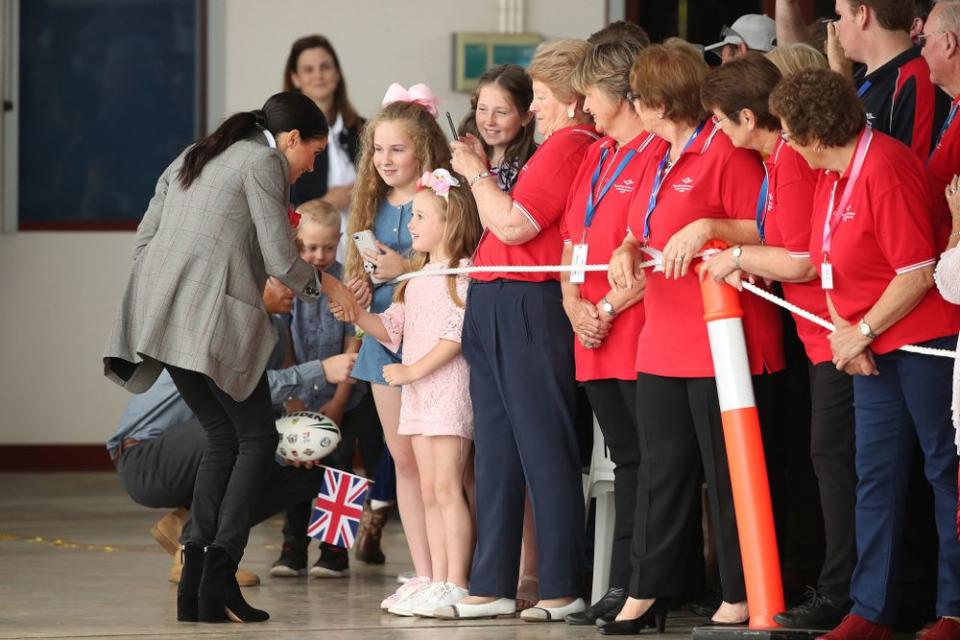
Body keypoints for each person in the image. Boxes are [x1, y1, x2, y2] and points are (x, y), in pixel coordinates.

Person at [103, 91, 332, 623]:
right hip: (208, 326)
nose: (311, 165)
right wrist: (326, 287)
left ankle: (197, 586)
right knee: (256, 437)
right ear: (291, 139)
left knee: (224, 437)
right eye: (313, 153)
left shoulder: (195, 153)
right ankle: (219, 577)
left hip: (158, 322)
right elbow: (280, 256)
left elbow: (146, 238)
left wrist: (166, 287)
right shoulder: (263, 160)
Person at [770, 67, 960, 640]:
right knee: (873, 475)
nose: (783, 141)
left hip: (923, 341)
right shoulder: (832, 173)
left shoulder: (886, 167)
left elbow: (917, 269)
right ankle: (870, 609)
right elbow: (830, 268)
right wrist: (848, 336)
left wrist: (862, 330)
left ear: (815, 134)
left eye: (787, 130)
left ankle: (953, 607)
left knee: (944, 472)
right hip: (872, 345)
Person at [605, 42, 785, 634]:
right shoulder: (657, 153)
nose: (632, 103)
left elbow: (768, 225)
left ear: (660, 101)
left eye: (637, 94)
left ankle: (738, 589)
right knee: (662, 470)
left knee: (727, 469)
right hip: (663, 333)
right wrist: (627, 251)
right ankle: (646, 590)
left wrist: (707, 225)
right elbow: (642, 227)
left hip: (722, 336)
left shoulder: (725, 151)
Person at [437, 38, 598, 622]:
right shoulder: (551, 146)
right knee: (498, 451)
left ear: (575, 98)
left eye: (545, 97)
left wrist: (478, 173)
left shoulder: (569, 145)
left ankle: (560, 583)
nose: (536, 108)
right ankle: (493, 581)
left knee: (543, 445)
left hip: (528, 298)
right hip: (496, 293)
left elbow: (514, 221)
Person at [699, 53, 856, 630]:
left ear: (747, 117)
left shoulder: (788, 161)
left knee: (833, 462)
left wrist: (736, 256)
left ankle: (841, 593)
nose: (716, 131)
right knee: (824, 460)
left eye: (719, 120)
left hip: (834, 330)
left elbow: (800, 260)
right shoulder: (775, 161)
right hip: (817, 334)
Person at [109, 277, 356, 586]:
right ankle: (197, 558)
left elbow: (259, 407)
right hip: (144, 458)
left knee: (308, 471)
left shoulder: (275, 329)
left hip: (204, 448)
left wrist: (286, 452)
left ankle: (194, 533)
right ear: (257, 280)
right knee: (234, 436)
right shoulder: (222, 325)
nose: (292, 291)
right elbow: (241, 389)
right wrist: (320, 370)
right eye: (283, 282)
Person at [332, 168, 482, 617]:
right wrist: (356, 313)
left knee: (446, 487)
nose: (410, 225)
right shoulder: (412, 279)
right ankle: (436, 577)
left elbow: (456, 335)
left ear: (449, 223)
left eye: (419, 216)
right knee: (432, 491)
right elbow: (391, 330)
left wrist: (413, 370)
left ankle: (457, 580)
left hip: (446, 393)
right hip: (418, 395)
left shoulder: (463, 274)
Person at [557, 38, 662, 628]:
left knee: (648, 463)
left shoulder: (653, 152)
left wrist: (605, 310)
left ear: (622, 93)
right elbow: (572, 242)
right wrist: (574, 305)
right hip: (590, 332)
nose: (583, 104)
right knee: (624, 463)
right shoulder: (597, 156)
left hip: (633, 328)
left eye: (590, 93)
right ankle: (623, 584)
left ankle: (641, 586)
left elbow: (651, 247)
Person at [344, 84, 453, 610]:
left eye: (398, 149)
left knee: (441, 466)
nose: (386, 160)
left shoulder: (440, 199)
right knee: (402, 460)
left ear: (422, 151)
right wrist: (363, 286)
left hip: (430, 341)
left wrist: (402, 267)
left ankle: (451, 570)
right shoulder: (369, 203)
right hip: (383, 342)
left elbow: (453, 264)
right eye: (379, 150)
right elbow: (362, 275)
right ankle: (425, 569)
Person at [270, 200, 381, 580]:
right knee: (298, 468)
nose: (319, 256)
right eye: (310, 248)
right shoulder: (287, 287)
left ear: (339, 243)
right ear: (296, 244)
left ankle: (334, 553)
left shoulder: (344, 285)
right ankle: (292, 548)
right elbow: (283, 344)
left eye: (328, 247)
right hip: (299, 396)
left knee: (340, 471)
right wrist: (294, 400)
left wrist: (337, 401)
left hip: (344, 401)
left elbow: (355, 343)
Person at [284, 34, 364, 262]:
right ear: (295, 78)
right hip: (310, 258)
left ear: (337, 74)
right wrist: (327, 202)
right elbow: (276, 205)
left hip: (359, 255)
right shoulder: (287, 139)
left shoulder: (363, 130)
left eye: (325, 67)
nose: (318, 75)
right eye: (308, 70)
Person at [833, 0, 948, 158]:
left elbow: (912, 171)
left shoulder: (917, 79)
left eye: (840, 16)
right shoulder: (860, 74)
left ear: (862, 14)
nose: (835, 27)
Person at [457, 64, 536, 193]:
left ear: (526, 117)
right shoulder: (465, 158)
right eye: (482, 109)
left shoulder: (536, 165)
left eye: (501, 112)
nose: (489, 121)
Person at [704, 14, 778, 64]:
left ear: (742, 49)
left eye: (724, 59)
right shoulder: (784, 83)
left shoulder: (735, 85)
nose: (722, 67)